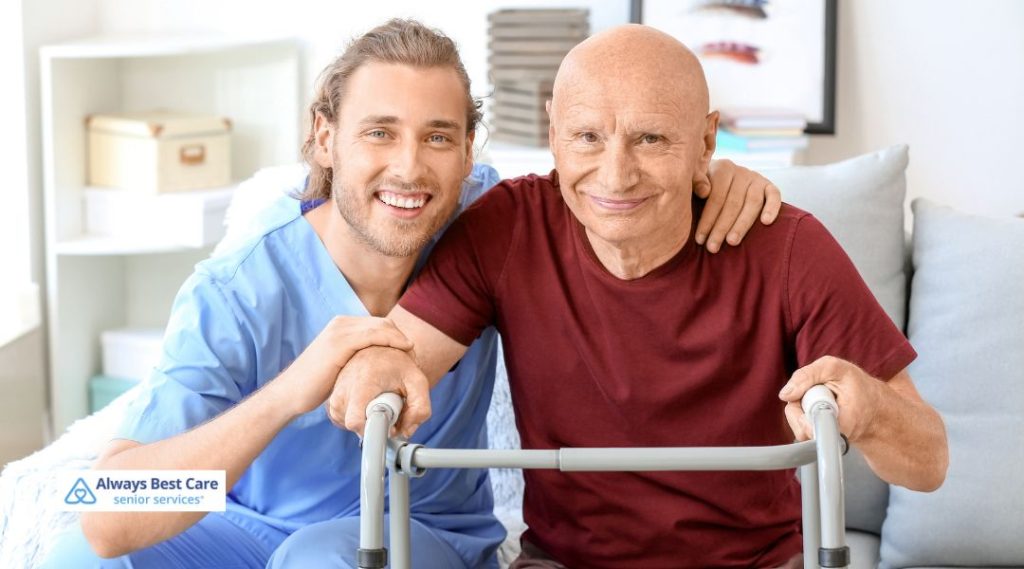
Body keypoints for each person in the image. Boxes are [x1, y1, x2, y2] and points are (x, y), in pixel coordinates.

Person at [40, 20, 782, 569]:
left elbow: (614, 185)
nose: (409, 168)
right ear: (324, 138)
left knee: (326, 560)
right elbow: (105, 518)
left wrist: (719, 178)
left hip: (420, 530)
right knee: (71, 552)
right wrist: (289, 392)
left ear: (467, 154)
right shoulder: (237, 291)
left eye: (436, 138)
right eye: (380, 133)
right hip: (246, 528)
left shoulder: (494, 225)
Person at [333, 24, 950, 569]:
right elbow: (398, 359)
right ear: (553, 132)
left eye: (651, 139)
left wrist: (866, 406)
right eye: (587, 137)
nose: (615, 174)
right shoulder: (507, 227)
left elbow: (928, 464)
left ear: (706, 143)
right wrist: (380, 365)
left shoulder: (786, 247)